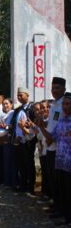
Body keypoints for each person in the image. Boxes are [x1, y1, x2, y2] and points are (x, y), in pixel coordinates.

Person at [39, 93, 71, 226]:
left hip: (69, 163)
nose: (64, 106)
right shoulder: (62, 120)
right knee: (63, 189)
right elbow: (52, 138)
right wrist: (41, 126)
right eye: (64, 104)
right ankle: (63, 214)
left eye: (67, 104)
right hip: (60, 161)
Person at [12, 87, 35, 193]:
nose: (19, 97)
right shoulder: (17, 110)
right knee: (21, 164)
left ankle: (30, 187)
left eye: (21, 95)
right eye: (18, 95)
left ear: (27, 95)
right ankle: (23, 185)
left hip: (29, 141)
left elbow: (35, 126)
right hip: (19, 141)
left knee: (29, 164)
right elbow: (14, 126)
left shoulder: (33, 108)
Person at [0, 98, 15, 187]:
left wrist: (5, 127)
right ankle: (6, 181)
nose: (5, 106)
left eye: (7, 104)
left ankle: (10, 182)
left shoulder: (12, 114)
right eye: (4, 104)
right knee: (5, 162)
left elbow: (10, 127)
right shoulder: (5, 114)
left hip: (9, 140)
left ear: (11, 104)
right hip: (3, 141)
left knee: (10, 163)